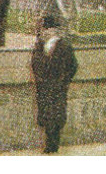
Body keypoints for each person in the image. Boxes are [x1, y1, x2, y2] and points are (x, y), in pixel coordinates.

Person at [30, 16, 77, 154]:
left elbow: (73, 66)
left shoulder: (64, 46)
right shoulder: (40, 46)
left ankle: (52, 145)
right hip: (44, 87)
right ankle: (50, 145)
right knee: (46, 115)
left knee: (55, 116)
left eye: (46, 29)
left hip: (57, 88)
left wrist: (63, 81)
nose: (43, 32)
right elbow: (34, 64)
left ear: (53, 30)